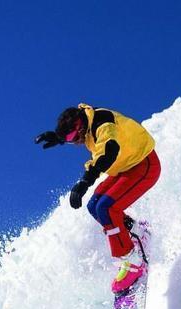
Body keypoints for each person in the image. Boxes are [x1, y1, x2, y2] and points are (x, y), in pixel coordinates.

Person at [35, 103, 161, 292]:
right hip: (126, 167)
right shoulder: (87, 124)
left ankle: (134, 262)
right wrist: (60, 138)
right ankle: (137, 232)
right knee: (94, 205)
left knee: (107, 208)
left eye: (71, 137)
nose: (72, 141)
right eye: (68, 139)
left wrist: (85, 182)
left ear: (80, 126)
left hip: (144, 164)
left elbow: (108, 152)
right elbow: (84, 137)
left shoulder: (103, 123)